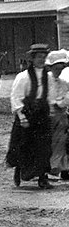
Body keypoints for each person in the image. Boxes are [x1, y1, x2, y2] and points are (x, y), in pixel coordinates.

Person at [6, 43, 53, 189]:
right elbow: (16, 96)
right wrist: (21, 116)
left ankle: (42, 177)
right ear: (32, 59)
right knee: (25, 145)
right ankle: (19, 169)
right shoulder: (23, 77)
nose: (41, 60)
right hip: (27, 114)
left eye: (43, 57)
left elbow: (50, 95)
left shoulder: (48, 76)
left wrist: (50, 110)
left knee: (44, 146)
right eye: (38, 57)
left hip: (42, 115)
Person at [46, 50, 69, 180]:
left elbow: (67, 95)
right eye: (56, 68)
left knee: (62, 140)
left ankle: (61, 168)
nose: (58, 71)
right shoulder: (45, 80)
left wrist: (61, 103)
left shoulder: (63, 82)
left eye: (61, 68)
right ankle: (48, 168)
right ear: (50, 67)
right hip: (47, 114)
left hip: (60, 116)